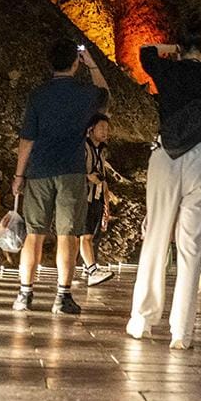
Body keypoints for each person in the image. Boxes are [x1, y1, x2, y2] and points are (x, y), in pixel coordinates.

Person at [126, 28, 201, 349]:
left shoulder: (168, 69)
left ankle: (143, 320)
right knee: (192, 246)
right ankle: (181, 332)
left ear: (182, 47)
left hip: (166, 155)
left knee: (157, 236)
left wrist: (168, 47)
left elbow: (145, 53)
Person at [12, 39, 110, 313]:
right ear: (75, 63)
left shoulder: (38, 95)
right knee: (68, 235)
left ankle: (25, 295)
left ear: (49, 63)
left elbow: (27, 139)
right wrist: (91, 63)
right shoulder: (84, 94)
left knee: (34, 234)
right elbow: (105, 93)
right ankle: (62, 297)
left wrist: (19, 175)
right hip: (71, 171)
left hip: (39, 171)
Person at [79, 113, 121, 286]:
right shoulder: (82, 147)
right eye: (101, 128)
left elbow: (102, 176)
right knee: (85, 236)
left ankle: (85, 268)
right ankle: (92, 270)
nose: (105, 132)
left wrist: (106, 202)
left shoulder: (101, 150)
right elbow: (73, 172)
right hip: (83, 198)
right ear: (91, 129)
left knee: (89, 236)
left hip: (95, 197)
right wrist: (88, 177)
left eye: (107, 129)